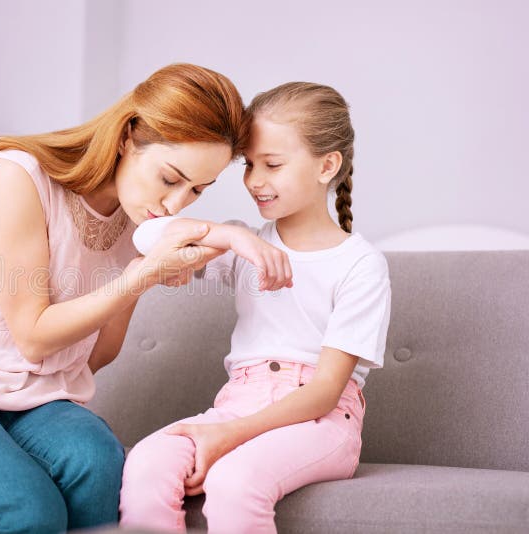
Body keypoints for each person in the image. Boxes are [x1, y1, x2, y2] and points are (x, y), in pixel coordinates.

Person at [0, 64, 293, 534]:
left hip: (40, 402)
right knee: (26, 511)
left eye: (197, 189)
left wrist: (147, 272)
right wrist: (139, 277)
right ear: (127, 138)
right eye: (170, 179)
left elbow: (94, 358)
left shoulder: (138, 218)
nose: (175, 204)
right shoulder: (17, 177)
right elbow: (33, 339)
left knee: (99, 466)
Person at [120, 82, 392, 533]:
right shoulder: (245, 245)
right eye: (250, 164)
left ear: (327, 165)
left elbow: (325, 392)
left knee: (234, 479)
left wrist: (229, 435)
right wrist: (232, 236)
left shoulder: (361, 265)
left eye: (272, 165)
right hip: (237, 404)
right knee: (147, 463)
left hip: (320, 421)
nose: (255, 180)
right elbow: (148, 238)